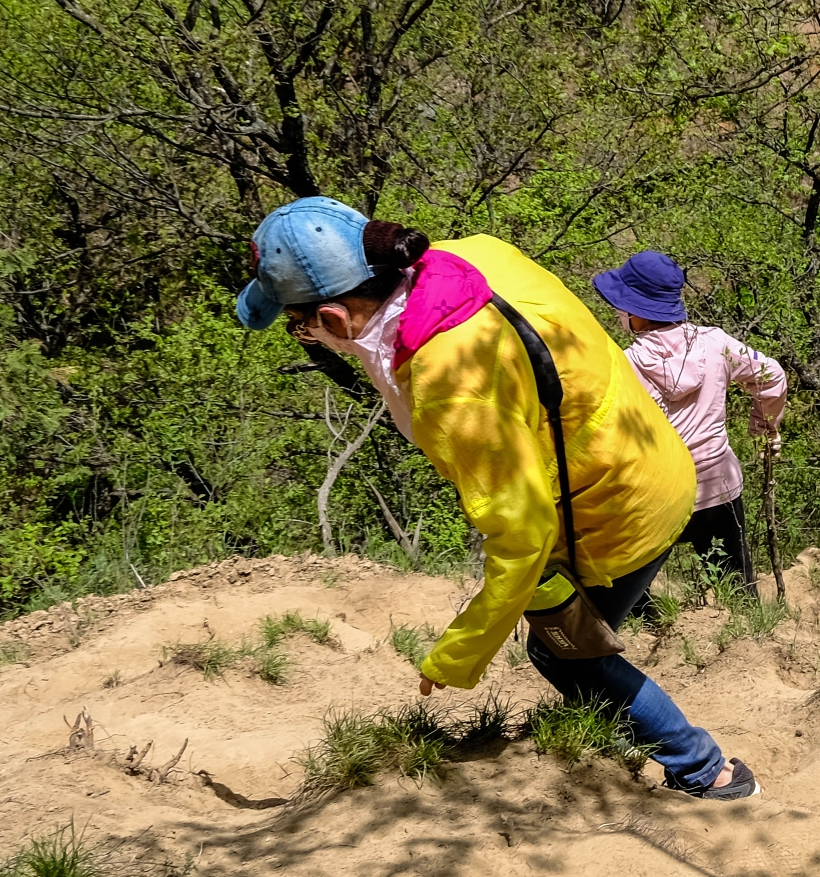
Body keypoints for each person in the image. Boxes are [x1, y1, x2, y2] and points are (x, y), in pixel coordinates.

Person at [236, 196, 758, 800]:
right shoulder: (464, 259)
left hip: (614, 505)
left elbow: (521, 532)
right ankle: (600, 732)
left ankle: (706, 771)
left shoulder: (452, 378)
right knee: (571, 640)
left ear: (334, 314)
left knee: (565, 655)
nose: (303, 336)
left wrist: (458, 655)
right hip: (643, 456)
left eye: (299, 325)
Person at [593, 249, 788, 594]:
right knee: (738, 593)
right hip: (719, 486)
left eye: (621, 306)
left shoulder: (624, 366)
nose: (618, 314)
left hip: (658, 495)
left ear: (636, 311)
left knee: (623, 594)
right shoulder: (716, 343)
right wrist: (764, 429)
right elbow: (771, 375)